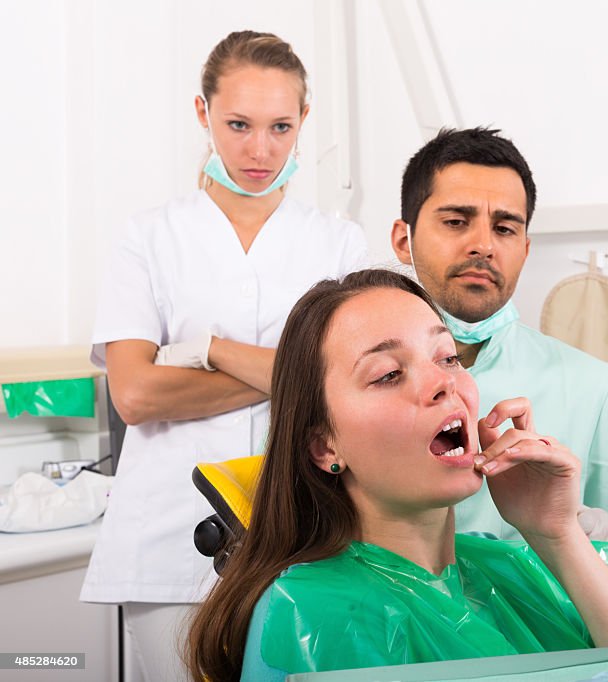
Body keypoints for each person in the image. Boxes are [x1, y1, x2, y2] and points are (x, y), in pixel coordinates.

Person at [185, 269, 608, 682]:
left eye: (448, 358)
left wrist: (554, 531)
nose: (444, 384)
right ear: (324, 445)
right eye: (387, 374)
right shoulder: (317, 616)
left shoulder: (504, 563)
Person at [80, 30, 367, 681]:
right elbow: (136, 395)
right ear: (202, 113)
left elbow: (351, 384)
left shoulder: (339, 245)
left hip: (306, 531)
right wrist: (297, 373)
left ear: (304, 123)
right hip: (169, 542)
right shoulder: (150, 236)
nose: (259, 149)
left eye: (280, 126)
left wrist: (207, 350)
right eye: (238, 124)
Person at [390, 127, 608, 594]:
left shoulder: (594, 388)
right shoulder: (345, 379)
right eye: (456, 221)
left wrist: (595, 542)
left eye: (504, 228)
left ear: (524, 247)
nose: (483, 244)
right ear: (404, 239)